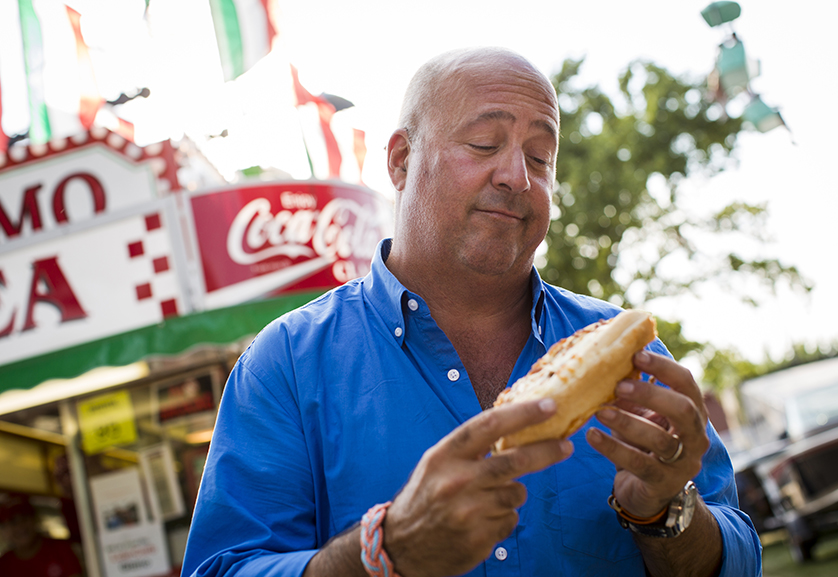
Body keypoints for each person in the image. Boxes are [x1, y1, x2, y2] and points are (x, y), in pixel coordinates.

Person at [181, 47, 762, 577]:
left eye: (540, 156)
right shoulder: (284, 364)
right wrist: (386, 549)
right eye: (485, 144)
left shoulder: (633, 357)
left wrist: (663, 511)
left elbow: (739, 560)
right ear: (401, 161)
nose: (517, 177)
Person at [0, 496, 83, 577]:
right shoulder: (4, 565)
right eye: (13, 522)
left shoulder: (60, 548)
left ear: (35, 519)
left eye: (25, 518)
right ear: (4, 529)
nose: (21, 526)